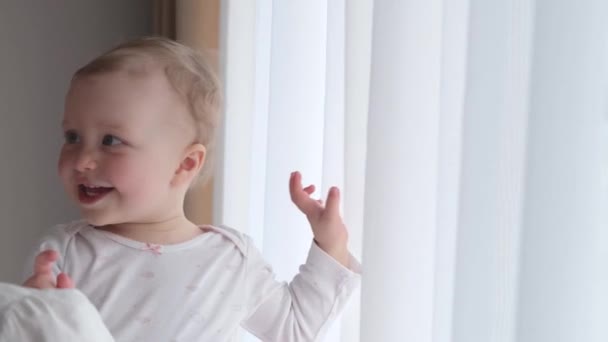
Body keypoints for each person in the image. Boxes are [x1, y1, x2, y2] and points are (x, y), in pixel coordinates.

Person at [21, 37, 360, 341]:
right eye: (72, 137)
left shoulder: (229, 259)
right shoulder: (62, 253)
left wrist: (331, 245)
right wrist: (30, 318)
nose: (82, 160)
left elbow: (294, 328)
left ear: (184, 164)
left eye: (110, 141)